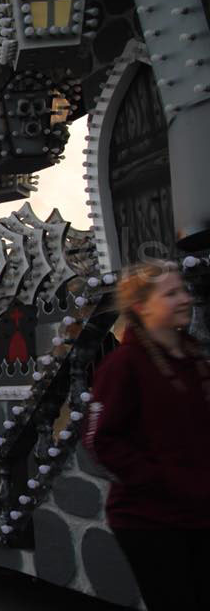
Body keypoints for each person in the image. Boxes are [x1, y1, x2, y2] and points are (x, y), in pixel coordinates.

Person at [85, 261, 210, 610]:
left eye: (182, 290)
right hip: (151, 520)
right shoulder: (122, 365)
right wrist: (162, 480)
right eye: (170, 294)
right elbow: (99, 440)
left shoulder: (194, 358)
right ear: (142, 306)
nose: (185, 299)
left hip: (199, 512)